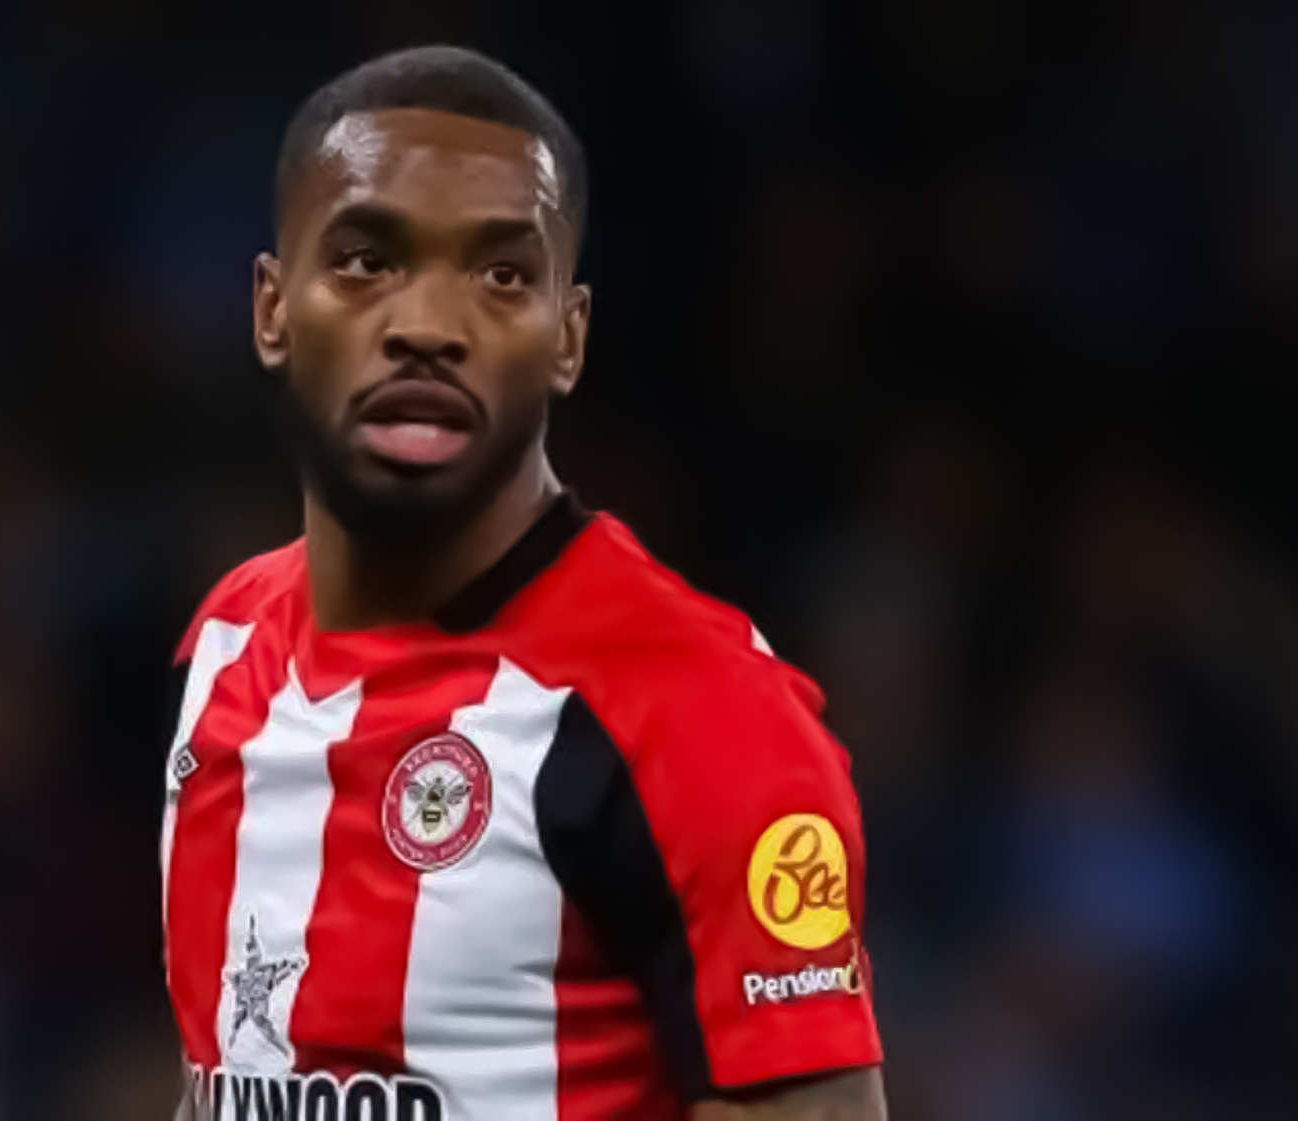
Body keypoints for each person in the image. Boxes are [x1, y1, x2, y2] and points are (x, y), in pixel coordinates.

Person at [161, 45, 887, 1121]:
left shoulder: (697, 712)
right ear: (271, 308)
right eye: (365, 259)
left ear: (567, 337)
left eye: (501, 274)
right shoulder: (221, 648)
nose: (425, 325)